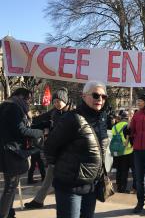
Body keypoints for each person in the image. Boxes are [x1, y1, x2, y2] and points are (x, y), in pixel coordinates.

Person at [44, 81, 109, 218]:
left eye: (104, 97)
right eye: (96, 95)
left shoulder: (101, 119)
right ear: (84, 96)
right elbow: (50, 145)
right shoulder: (72, 118)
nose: (100, 99)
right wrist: (64, 168)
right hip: (70, 186)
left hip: (91, 186)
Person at [24, 87, 73, 209]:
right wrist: (28, 120)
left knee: (65, 179)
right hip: (55, 151)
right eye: (54, 102)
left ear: (65, 100)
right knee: (49, 176)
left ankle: (68, 201)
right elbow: (40, 119)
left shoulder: (73, 114)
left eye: (58, 101)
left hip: (69, 152)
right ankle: (39, 200)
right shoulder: (54, 112)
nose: (56, 104)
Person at [0, 88, 44, 218]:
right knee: (11, 186)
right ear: (20, 96)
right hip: (12, 151)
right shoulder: (14, 108)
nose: (29, 102)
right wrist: (40, 133)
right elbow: (21, 130)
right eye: (28, 98)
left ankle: (9, 212)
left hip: (5, 150)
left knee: (11, 185)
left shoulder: (4, 105)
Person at [111, 111, 136, 193]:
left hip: (119, 152)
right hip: (129, 151)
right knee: (134, 171)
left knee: (121, 171)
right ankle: (135, 187)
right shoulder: (128, 126)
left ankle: (121, 188)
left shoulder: (114, 127)